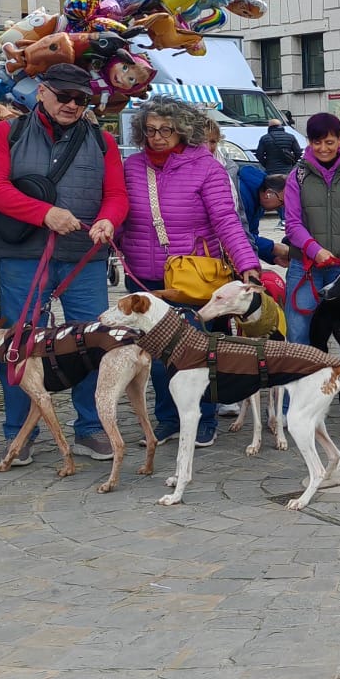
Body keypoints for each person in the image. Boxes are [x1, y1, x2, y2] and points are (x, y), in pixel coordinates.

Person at [0, 62, 126, 459]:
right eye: (64, 96)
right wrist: (43, 214)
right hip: (23, 255)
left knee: (91, 343)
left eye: (81, 99)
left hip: (83, 256)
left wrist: (109, 220)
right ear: (42, 92)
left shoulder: (102, 141)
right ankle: (19, 432)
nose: (73, 105)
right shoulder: (5, 133)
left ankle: (91, 426)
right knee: (19, 345)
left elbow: (116, 192)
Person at [119, 99, 263, 445]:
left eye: (165, 130)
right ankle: (168, 419)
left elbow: (227, 221)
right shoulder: (132, 167)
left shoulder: (206, 167)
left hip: (192, 279)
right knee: (155, 356)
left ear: (182, 130)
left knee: (197, 352)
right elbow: (120, 212)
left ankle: (203, 418)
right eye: (150, 130)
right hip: (145, 276)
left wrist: (248, 265)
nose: (157, 137)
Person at [282, 113, 340, 410]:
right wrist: (313, 249)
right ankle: (295, 404)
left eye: (329, 141)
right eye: (316, 142)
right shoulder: (296, 176)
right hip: (306, 266)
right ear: (308, 142)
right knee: (298, 334)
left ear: (338, 140)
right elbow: (292, 223)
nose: (323, 148)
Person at [236, 164, 290, 264]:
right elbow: (238, 235)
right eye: (282, 202)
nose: (282, 207)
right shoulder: (240, 195)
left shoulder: (258, 200)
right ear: (268, 194)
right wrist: (274, 248)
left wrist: (273, 258)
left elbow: (252, 234)